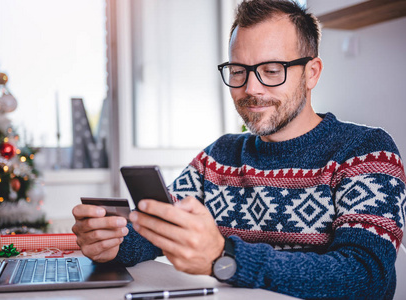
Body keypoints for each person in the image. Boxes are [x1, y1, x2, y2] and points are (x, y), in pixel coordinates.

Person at [72, 0, 405, 299]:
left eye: (272, 71)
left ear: (311, 73)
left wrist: (224, 257)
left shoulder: (366, 151)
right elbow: (158, 233)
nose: (251, 88)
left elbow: (367, 278)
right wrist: (111, 242)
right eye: (238, 71)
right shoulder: (218, 158)